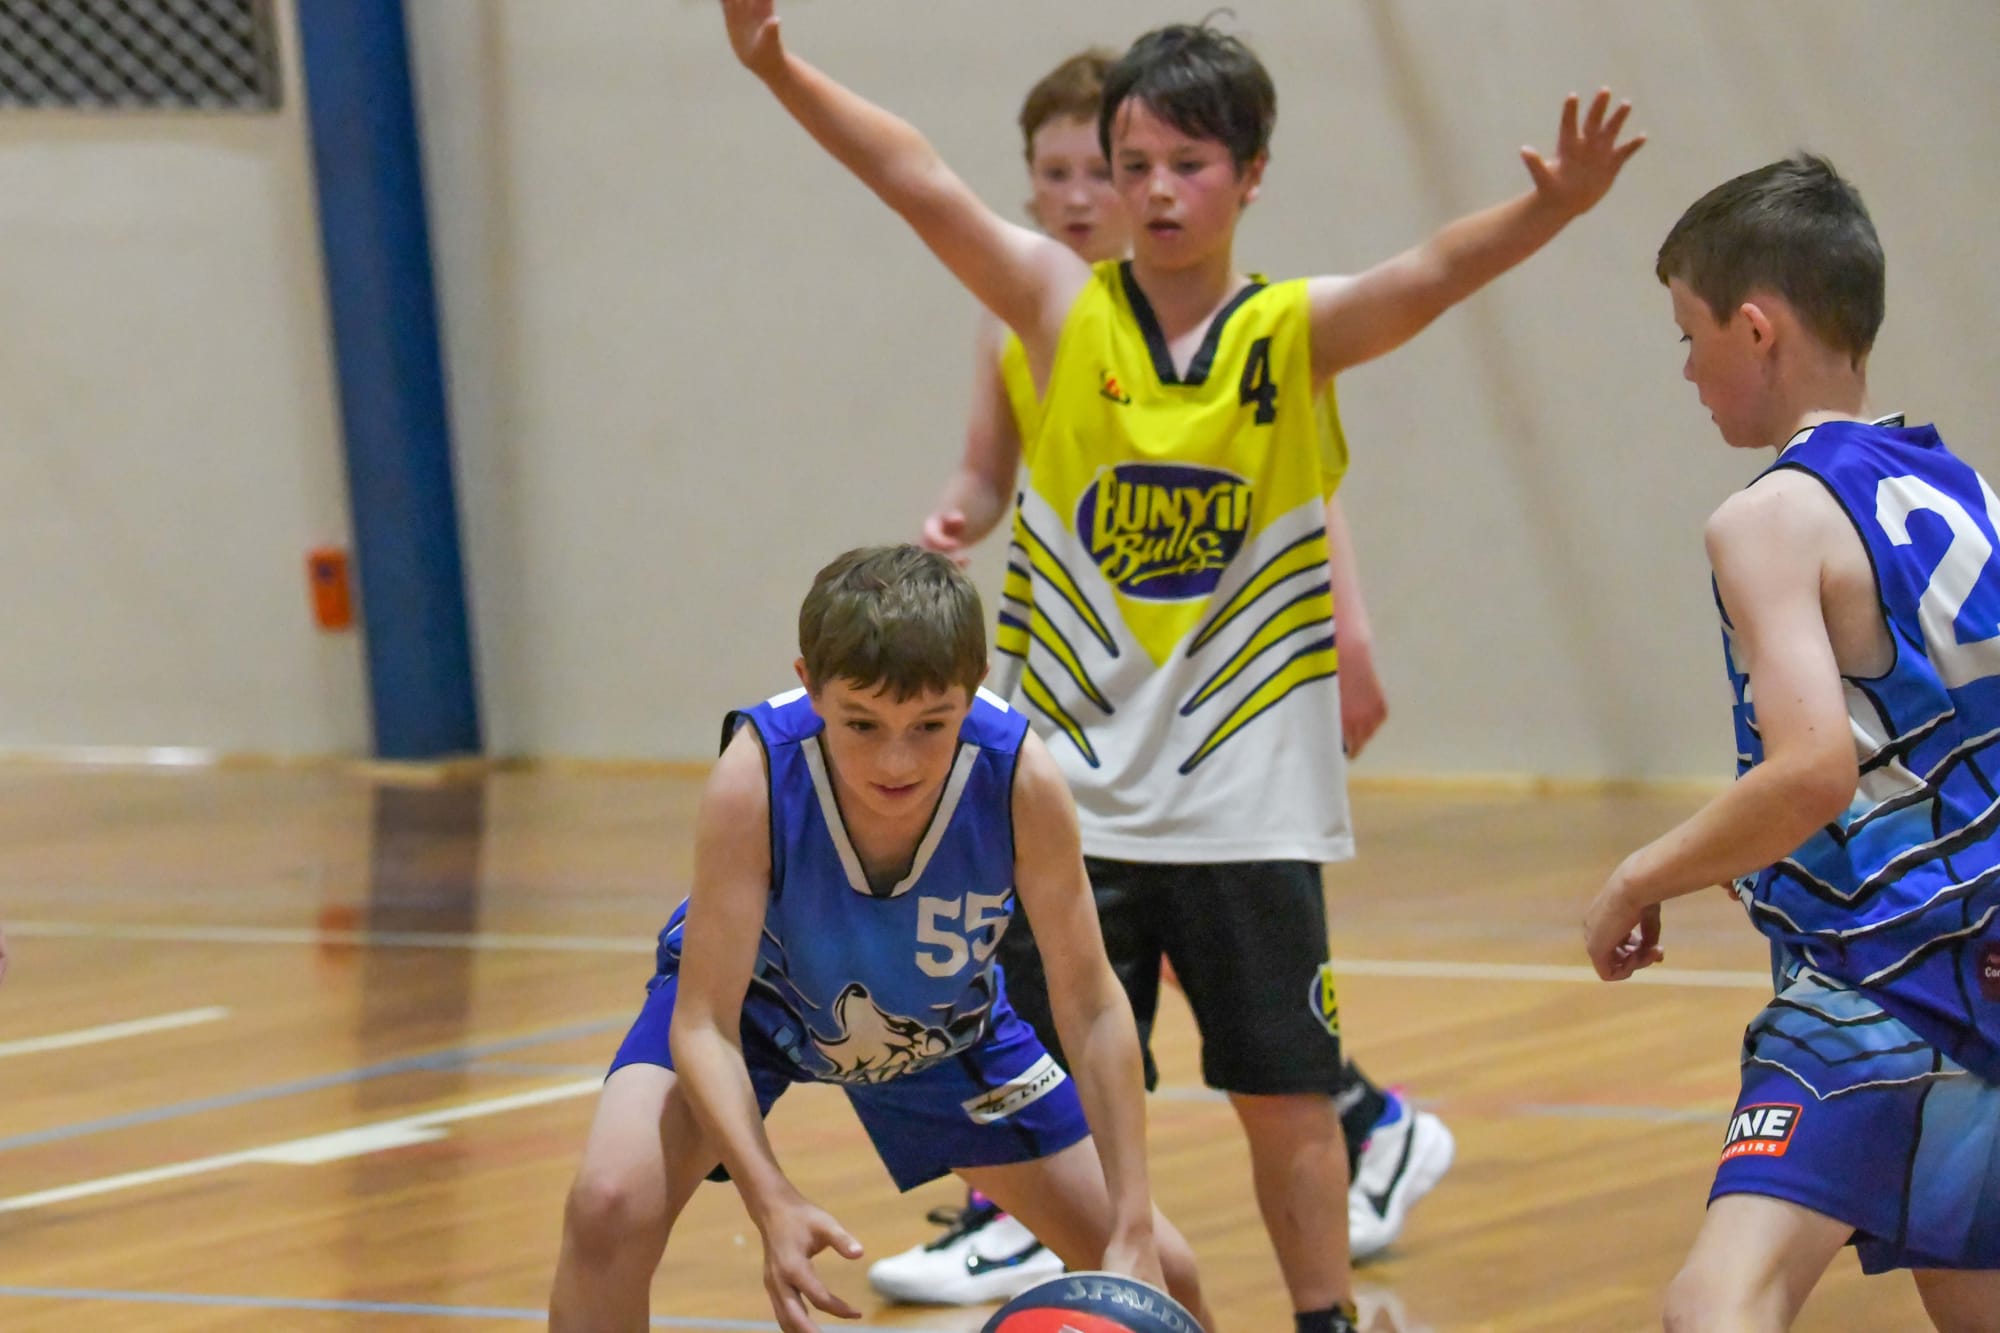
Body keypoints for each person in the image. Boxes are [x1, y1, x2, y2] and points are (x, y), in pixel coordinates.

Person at [722, 6, 1640, 1326]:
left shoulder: (1292, 332)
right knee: (1063, 1097)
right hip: (1065, 797)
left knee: (1285, 1090)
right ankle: (1105, 1280)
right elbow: (911, 177)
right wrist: (776, 66)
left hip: (1246, 799)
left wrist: (1545, 214)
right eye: (1133, 161)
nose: (1155, 190)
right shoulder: (1051, 303)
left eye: (1189, 164)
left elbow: (1431, 272)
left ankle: (1322, 1315)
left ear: (1252, 174)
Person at [868, 47, 1448, 1307]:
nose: (1101, 194)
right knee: (1048, 1027)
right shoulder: (1032, 315)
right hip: (1084, 738)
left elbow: (1291, 491)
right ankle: (1070, 1238)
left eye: (1123, 167)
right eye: (1076, 173)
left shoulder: (1257, 335)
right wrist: (953, 521)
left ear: (1238, 178)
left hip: (1225, 742)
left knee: (1259, 1049)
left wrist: (1347, 631)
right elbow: (987, 464)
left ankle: (1350, 1160)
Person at [548, 546, 1211, 1333]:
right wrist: (773, 1200)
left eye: (930, 725)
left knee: (1164, 1271)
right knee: (607, 1203)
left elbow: (1094, 1005)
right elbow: (703, 1023)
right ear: (809, 684)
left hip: (939, 1027)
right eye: (862, 723)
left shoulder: (1019, 777)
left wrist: (1131, 1221)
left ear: (974, 689)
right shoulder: (755, 774)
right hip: (762, 1010)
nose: (896, 759)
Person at [1581, 155, 1999, 1331]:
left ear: (1754, 328)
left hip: (1874, 984)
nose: (1684, 368)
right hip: (1987, 977)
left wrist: (1636, 872)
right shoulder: (1957, 486)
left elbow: (1808, 769)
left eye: (1687, 331)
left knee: (1716, 1302)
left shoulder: (1767, 516)